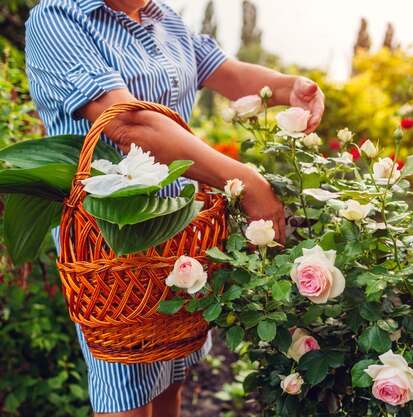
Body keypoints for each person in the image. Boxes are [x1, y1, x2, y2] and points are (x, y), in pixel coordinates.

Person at [24, 0, 325, 416]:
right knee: (128, 385)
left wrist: (287, 85)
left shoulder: (163, 18)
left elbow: (229, 73)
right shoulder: (60, 18)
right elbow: (128, 124)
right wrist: (248, 183)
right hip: (115, 241)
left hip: (182, 233)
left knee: (170, 374)